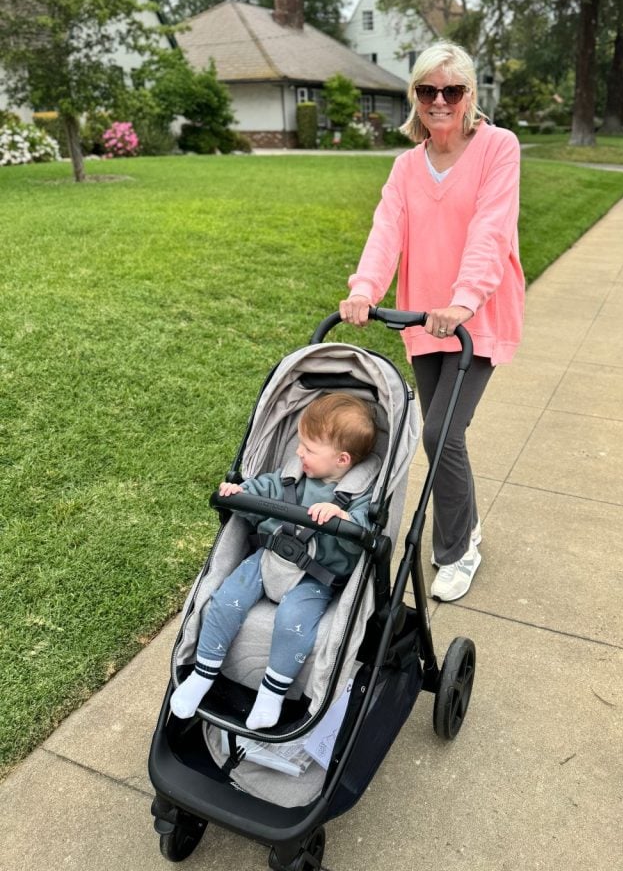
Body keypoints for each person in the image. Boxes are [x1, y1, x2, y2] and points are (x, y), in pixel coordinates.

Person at [339, 41, 524, 603]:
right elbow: (386, 232)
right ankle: (465, 524)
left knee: (441, 431)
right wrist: (364, 289)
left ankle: (457, 549)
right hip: (423, 317)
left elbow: (492, 229)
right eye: (427, 90)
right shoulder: (404, 167)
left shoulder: (498, 147)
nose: (439, 101)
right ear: (415, 97)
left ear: (470, 96)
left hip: (476, 316)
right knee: (446, 434)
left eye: (452, 90)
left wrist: (465, 300)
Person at [170, 392, 379, 729]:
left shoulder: (358, 498)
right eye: (300, 443)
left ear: (342, 460)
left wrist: (342, 518)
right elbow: (255, 494)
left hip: (313, 577)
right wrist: (238, 494)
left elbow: (361, 541)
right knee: (225, 600)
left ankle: (272, 694)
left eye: (309, 449)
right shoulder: (287, 478)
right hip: (266, 559)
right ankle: (202, 673)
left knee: (293, 621)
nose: (299, 452)